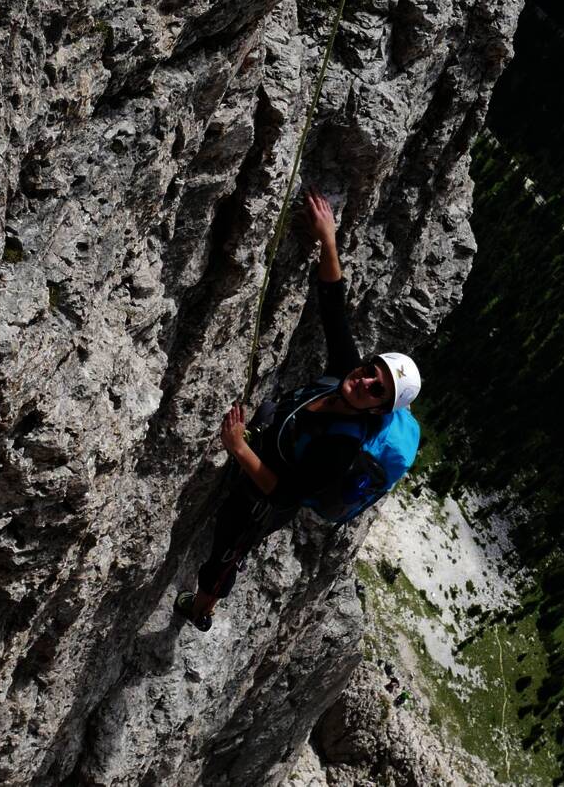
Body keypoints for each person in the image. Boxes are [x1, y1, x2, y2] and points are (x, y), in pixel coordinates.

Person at [174, 189, 422, 632]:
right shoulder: (347, 375)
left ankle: (202, 608)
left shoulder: (342, 447)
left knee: (225, 554)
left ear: (380, 407)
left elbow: (285, 494)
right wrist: (328, 239)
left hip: (261, 498)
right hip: (266, 452)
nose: (365, 379)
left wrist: (237, 448)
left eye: (376, 388)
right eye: (372, 369)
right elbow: (333, 306)